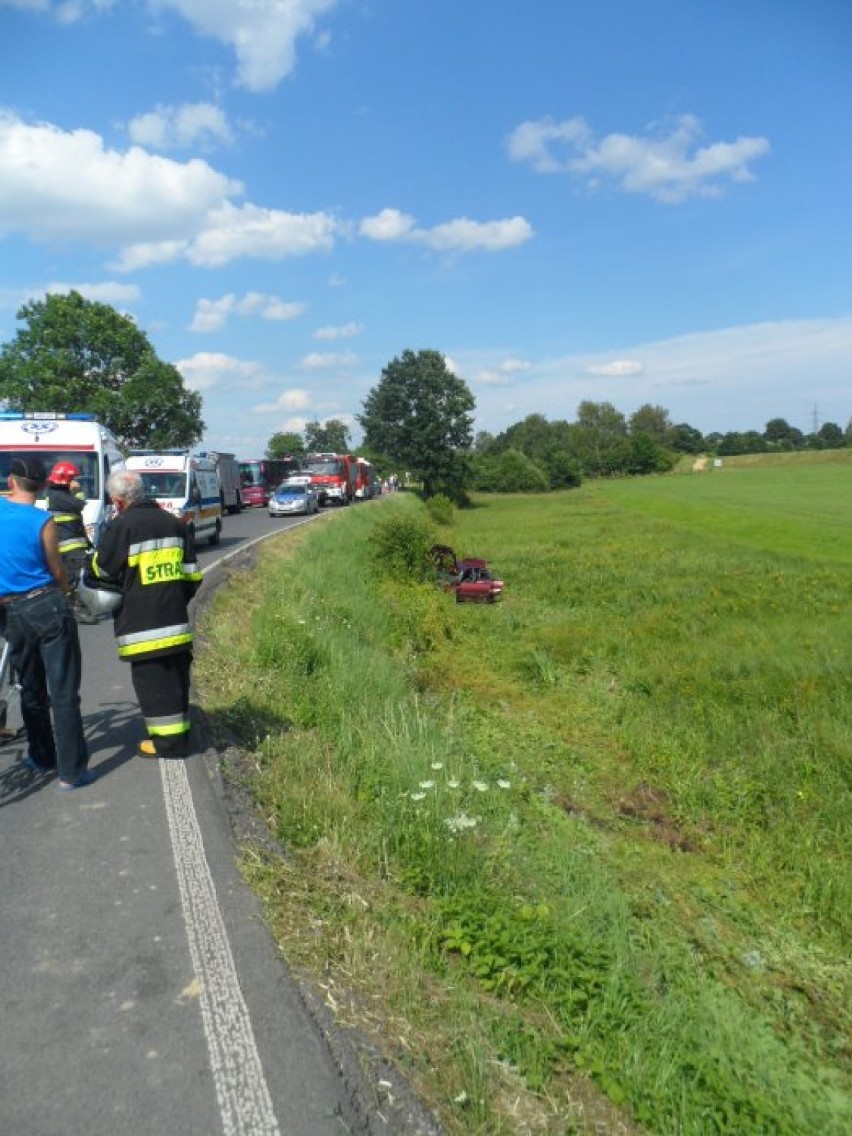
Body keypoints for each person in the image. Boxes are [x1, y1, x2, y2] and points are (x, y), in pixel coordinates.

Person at [90, 468, 202, 758]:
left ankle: (168, 746)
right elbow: (192, 576)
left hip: (141, 626)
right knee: (176, 681)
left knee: (154, 687)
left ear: (117, 501)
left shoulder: (121, 526)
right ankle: (179, 736)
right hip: (175, 622)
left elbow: (103, 571)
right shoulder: (174, 523)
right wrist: (174, 599)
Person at [0, 456, 94, 789]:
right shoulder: (42, 520)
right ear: (41, 486)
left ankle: (41, 756)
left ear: (11, 481)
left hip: (10, 612)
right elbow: (56, 570)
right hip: (46, 604)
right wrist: (68, 592)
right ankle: (72, 772)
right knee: (64, 690)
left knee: (30, 687)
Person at [45, 460, 95, 623]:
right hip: (69, 545)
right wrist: (78, 491)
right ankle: (74, 609)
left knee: (72, 578)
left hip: (72, 542)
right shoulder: (57, 495)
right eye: (73, 478)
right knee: (72, 579)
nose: (76, 481)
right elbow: (80, 504)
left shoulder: (58, 494)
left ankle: (68, 609)